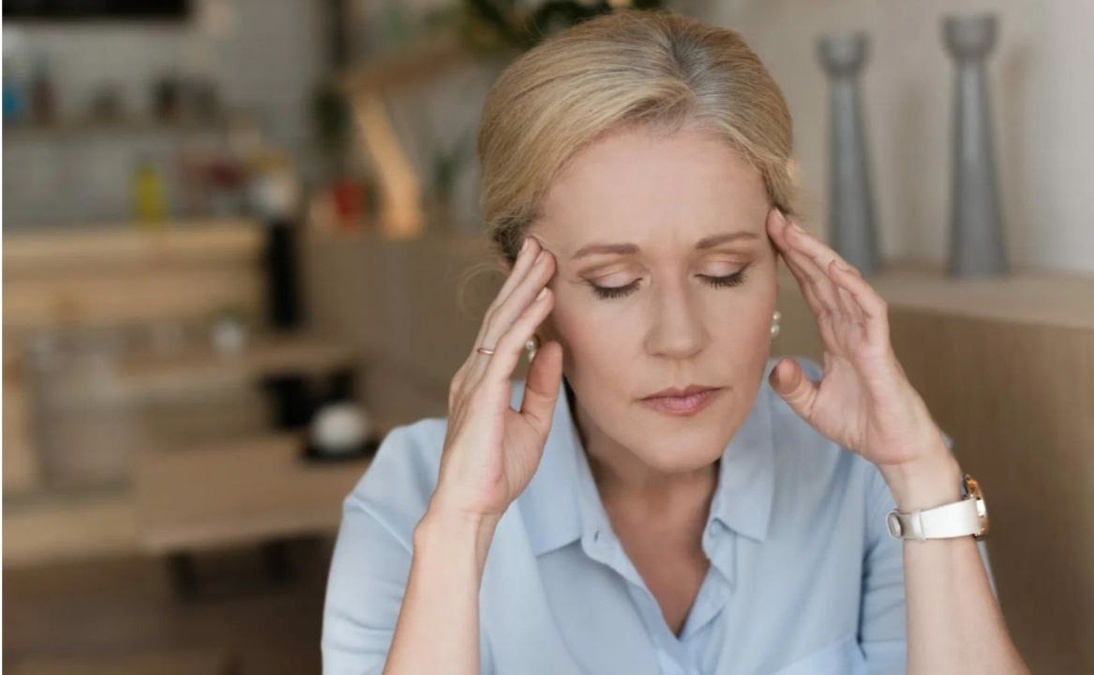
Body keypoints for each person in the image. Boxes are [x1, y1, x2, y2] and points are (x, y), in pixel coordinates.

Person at [322, 9, 1029, 675]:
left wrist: (918, 474)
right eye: (615, 284)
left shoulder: (865, 472)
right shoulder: (415, 496)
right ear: (528, 299)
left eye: (723, 272)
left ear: (780, 263)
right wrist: (462, 531)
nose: (681, 338)